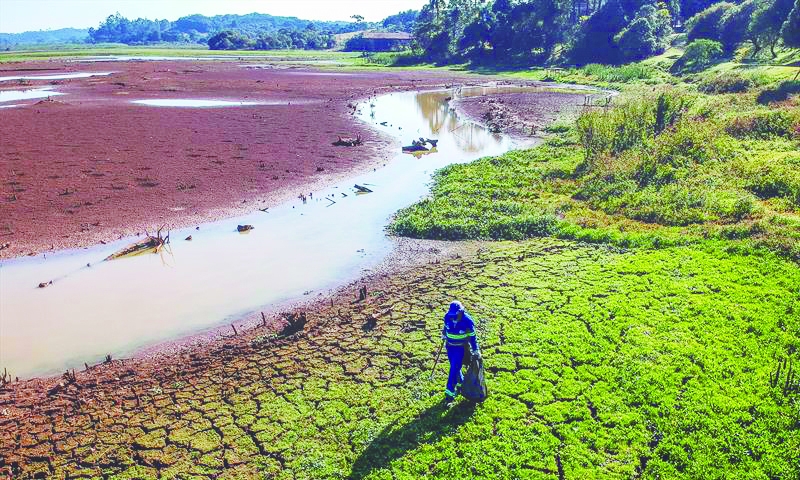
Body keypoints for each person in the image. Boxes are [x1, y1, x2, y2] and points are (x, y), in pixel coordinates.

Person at [442, 300, 480, 404]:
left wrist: (476, 349)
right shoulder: (447, 317)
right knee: (455, 367)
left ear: (460, 312)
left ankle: (449, 395)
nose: (453, 316)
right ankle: (461, 384)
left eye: (455, 314)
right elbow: (445, 327)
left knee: (453, 369)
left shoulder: (467, 321)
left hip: (461, 349)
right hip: (449, 347)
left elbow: (472, 337)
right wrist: (444, 334)